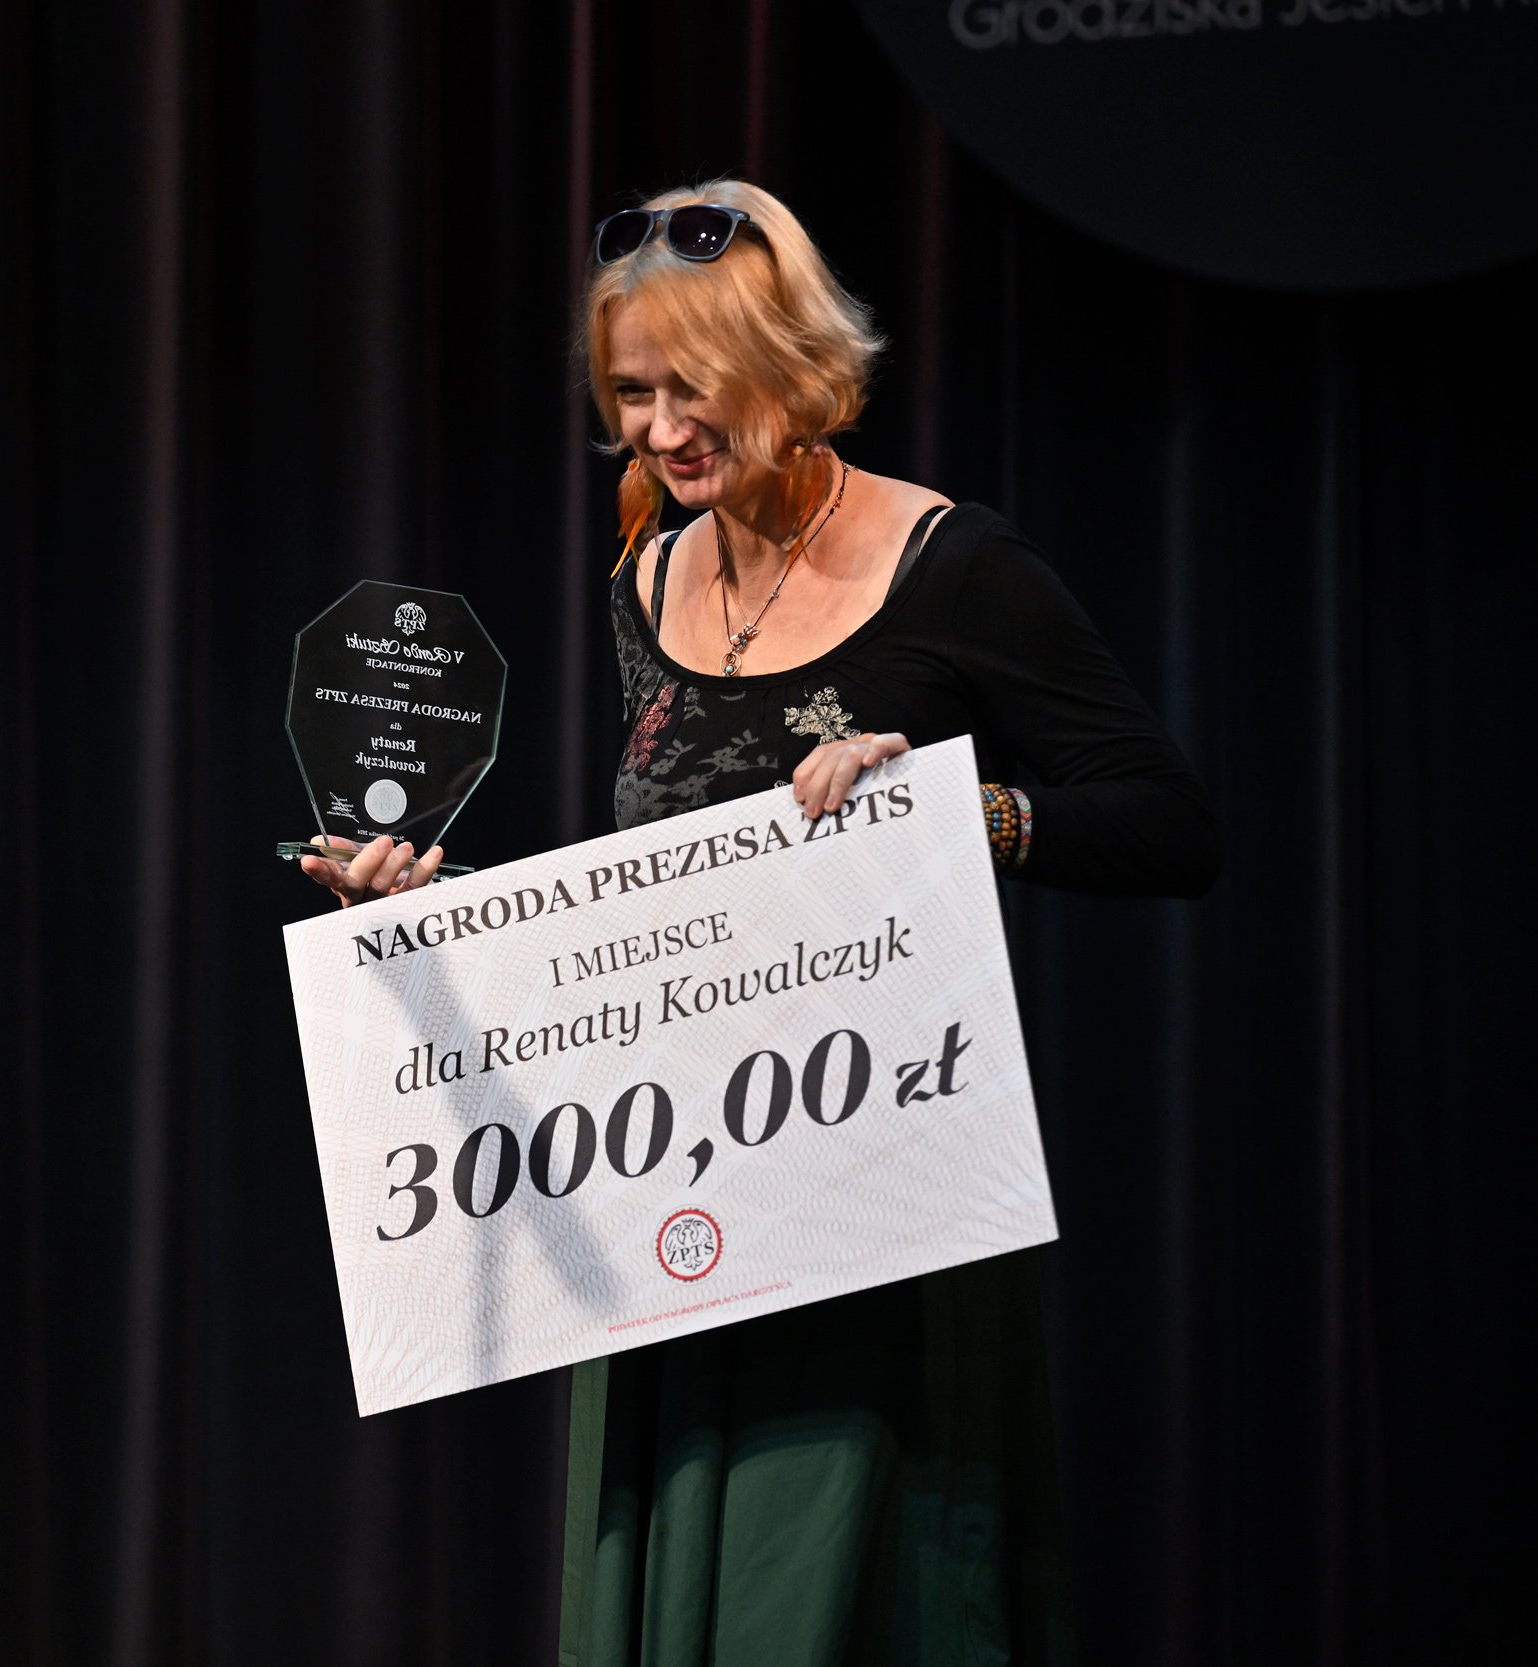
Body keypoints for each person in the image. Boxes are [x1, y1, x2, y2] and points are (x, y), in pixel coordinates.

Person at [306, 179, 1217, 1664]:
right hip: (680, 1211)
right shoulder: (651, 571)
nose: (662, 431)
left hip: (875, 1217)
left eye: (695, 389)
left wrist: (949, 808)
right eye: (632, 394)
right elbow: (662, 908)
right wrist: (438, 908)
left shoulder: (952, 565)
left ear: (789, 367)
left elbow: (1172, 824)